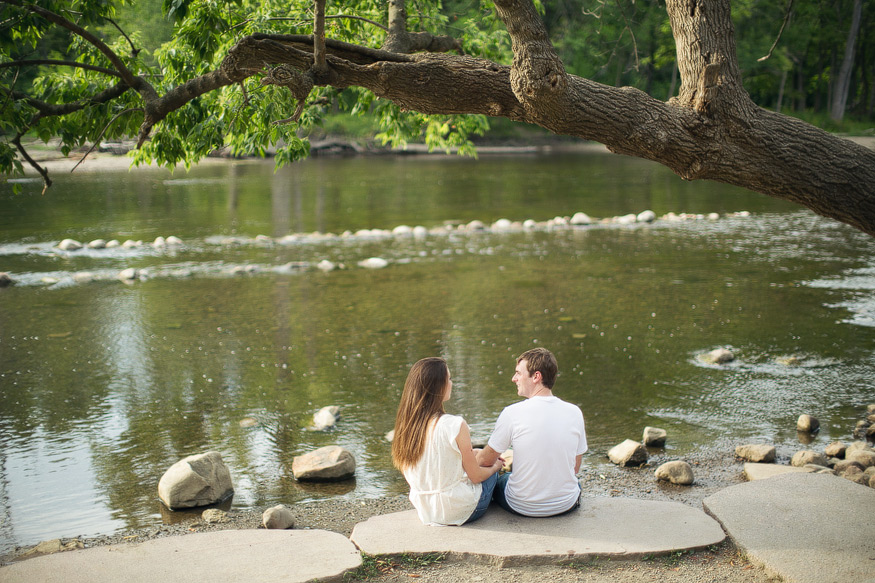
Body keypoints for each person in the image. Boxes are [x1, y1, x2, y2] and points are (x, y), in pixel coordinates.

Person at [391, 357, 504, 526]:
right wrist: (496, 467)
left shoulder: (406, 427)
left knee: (475, 458)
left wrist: (471, 456)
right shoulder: (454, 424)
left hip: (426, 510)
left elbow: (430, 462)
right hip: (457, 509)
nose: (451, 383)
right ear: (438, 386)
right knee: (490, 472)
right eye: (449, 379)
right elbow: (475, 477)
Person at [476, 348, 587, 517]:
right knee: (575, 484)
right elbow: (575, 468)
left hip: (521, 505)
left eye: (518, 373)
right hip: (565, 504)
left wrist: (476, 456)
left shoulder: (512, 413)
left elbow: (485, 461)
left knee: (500, 479)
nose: (514, 379)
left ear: (536, 376)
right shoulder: (575, 412)